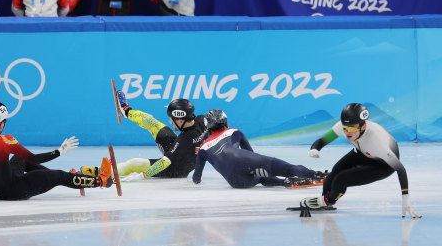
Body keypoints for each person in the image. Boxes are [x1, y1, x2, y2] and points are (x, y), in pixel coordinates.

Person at [0, 101, 113, 200]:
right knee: (58, 176)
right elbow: (34, 159)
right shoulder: (5, 139)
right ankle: (102, 181)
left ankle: (73, 178)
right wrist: (59, 151)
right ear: (1, 123)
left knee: (21, 160)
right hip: (16, 190)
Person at [301, 103, 421, 218]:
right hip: (363, 152)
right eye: (345, 128)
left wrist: (405, 199)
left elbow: (400, 169)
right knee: (333, 173)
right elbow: (323, 140)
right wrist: (315, 149)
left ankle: (328, 201)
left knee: (341, 179)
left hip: (383, 165)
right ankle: (325, 199)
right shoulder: (346, 125)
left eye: (351, 129)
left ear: (363, 127)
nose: (347, 132)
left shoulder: (377, 142)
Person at [192, 109, 327, 188]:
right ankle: (317, 175)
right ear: (225, 122)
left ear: (208, 127)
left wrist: (195, 181)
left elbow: (196, 178)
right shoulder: (234, 131)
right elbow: (250, 153)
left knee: (259, 177)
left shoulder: (203, 147)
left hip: (236, 182)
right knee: (287, 168)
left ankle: (284, 182)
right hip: (244, 159)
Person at [115, 90, 209, 181]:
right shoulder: (201, 120)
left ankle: (103, 171)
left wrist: (140, 176)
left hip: (175, 170)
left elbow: (164, 163)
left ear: (181, 120)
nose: (170, 121)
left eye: (172, 119)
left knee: (134, 163)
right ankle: (126, 111)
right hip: (182, 155)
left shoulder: (183, 140)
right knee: (149, 121)